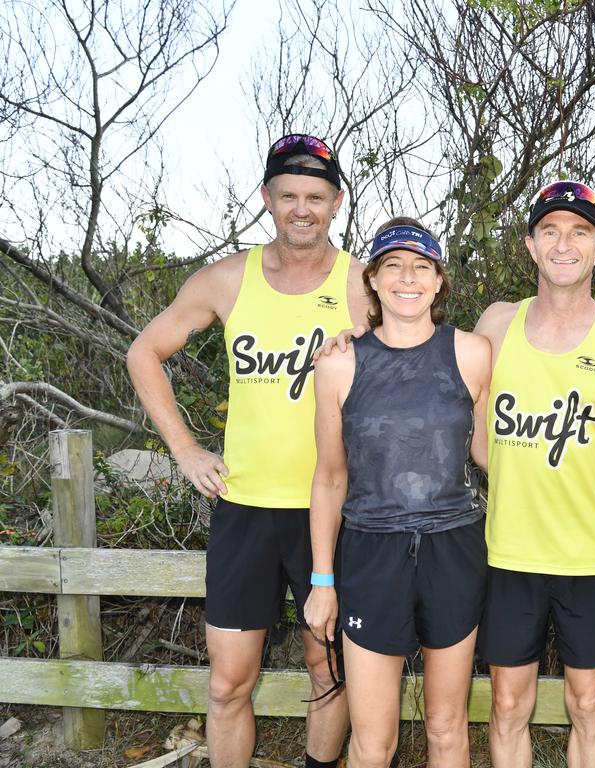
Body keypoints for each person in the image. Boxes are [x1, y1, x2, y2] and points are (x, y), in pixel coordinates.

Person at [127, 133, 368, 768]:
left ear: (336, 202)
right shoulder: (226, 280)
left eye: (315, 196)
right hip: (246, 509)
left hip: (335, 512)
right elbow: (143, 353)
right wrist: (185, 450)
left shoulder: (364, 286)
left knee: (330, 666)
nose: (301, 209)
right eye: (287, 195)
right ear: (267, 198)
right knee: (229, 680)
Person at [472, 180, 595, 768]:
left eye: (579, 232)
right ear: (530, 245)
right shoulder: (494, 326)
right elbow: (477, 437)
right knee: (506, 706)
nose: (564, 244)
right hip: (510, 555)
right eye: (550, 231)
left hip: (593, 561)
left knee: (588, 704)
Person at [303, 218, 491, 768]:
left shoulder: (473, 353)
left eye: (422, 266)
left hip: (453, 548)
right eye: (393, 265)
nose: (408, 278)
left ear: (438, 282)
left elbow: (492, 452)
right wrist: (322, 580)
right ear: (374, 281)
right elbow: (330, 478)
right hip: (371, 551)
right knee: (373, 739)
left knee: (447, 726)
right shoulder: (338, 363)